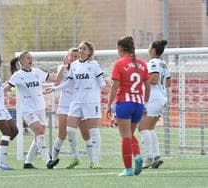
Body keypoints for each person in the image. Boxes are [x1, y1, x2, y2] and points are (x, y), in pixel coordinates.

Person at [48, 41, 105, 169]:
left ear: (89, 51)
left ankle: (94, 161)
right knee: (70, 130)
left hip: (91, 101)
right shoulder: (73, 65)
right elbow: (68, 83)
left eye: (84, 49)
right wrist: (54, 89)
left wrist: (102, 92)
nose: (81, 51)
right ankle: (76, 157)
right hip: (76, 101)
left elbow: (102, 83)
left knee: (93, 131)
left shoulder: (94, 65)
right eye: (80, 48)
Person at [106, 36, 150, 176]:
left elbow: (115, 86)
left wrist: (108, 105)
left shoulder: (119, 64)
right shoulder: (142, 64)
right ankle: (137, 156)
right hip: (138, 103)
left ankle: (128, 169)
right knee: (130, 134)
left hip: (124, 102)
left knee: (125, 136)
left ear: (121, 49)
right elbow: (147, 86)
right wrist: (145, 103)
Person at [4, 52, 58, 169]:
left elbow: (53, 77)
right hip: (28, 109)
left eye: (31, 58)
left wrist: (65, 72)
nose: (30, 60)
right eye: (28, 58)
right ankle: (48, 161)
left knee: (39, 135)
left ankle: (27, 162)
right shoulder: (17, 75)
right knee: (39, 130)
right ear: (22, 61)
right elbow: (6, 88)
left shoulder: (37, 72)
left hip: (40, 108)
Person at [138, 39, 171, 169]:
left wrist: (140, 78)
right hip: (162, 97)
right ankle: (156, 156)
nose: (147, 50)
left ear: (153, 50)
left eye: (149, 47)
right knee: (150, 128)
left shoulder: (152, 62)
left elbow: (154, 79)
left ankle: (149, 158)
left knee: (142, 127)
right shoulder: (164, 64)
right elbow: (168, 83)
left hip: (154, 98)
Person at [50, 48, 80, 166]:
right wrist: (62, 68)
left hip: (78, 105)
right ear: (67, 57)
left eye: (76, 56)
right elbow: (57, 82)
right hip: (64, 105)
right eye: (71, 56)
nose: (73, 58)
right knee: (62, 134)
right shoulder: (63, 68)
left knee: (84, 132)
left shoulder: (82, 69)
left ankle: (83, 158)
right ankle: (53, 160)